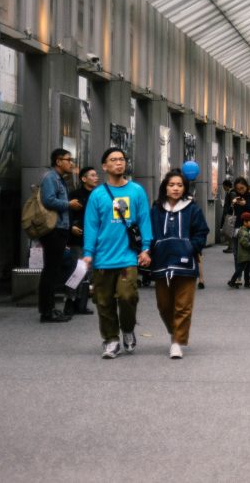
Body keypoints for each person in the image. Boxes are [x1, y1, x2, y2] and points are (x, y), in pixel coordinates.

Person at [82, 147, 153, 359]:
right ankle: (111, 339)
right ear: (105, 166)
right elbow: (91, 226)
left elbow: (144, 220)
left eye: (122, 159)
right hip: (103, 258)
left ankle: (128, 328)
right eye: (113, 160)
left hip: (128, 257)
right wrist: (88, 253)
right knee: (103, 302)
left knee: (127, 295)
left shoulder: (136, 191)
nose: (119, 163)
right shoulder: (97, 195)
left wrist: (146, 248)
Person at [149, 169, 210, 359]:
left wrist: (191, 247)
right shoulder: (156, 210)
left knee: (183, 305)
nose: (176, 188)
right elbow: (148, 232)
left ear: (185, 188)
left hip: (185, 264)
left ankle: (177, 341)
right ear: (165, 188)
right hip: (161, 263)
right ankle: (174, 331)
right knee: (164, 305)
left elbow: (202, 232)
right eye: (171, 185)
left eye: (180, 185)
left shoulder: (193, 208)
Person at [37, 148, 82, 323]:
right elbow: (48, 200)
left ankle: (48, 309)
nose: (71, 163)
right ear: (58, 161)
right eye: (68, 159)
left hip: (61, 228)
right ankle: (47, 311)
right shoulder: (50, 178)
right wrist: (68, 204)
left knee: (53, 269)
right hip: (53, 229)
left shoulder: (60, 179)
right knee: (50, 270)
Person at [64, 165, 98, 316]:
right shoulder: (75, 194)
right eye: (92, 175)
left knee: (88, 272)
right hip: (77, 238)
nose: (95, 177)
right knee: (77, 270)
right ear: (83, 179)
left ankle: (82, 304)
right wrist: (70, 227)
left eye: (96, 175)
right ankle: (69, 302)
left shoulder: (99, 194)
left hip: (93, 238)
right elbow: (66, 213)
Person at [228, 178, 250, 283]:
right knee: (236, 253)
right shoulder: (236, 198)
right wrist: (232, 204)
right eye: (238, 189)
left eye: (242, 188)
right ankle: (239, 277)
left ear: (246, 186)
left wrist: (245, 205)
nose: (240, 190)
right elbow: (229, 214)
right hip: (237, 228)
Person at [228, 212, 250, 288]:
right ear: (245, 222)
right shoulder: (244, 232)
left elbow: (247, 239)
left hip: (246, 255)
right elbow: (244, 242)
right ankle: (232, 281)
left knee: (247, 270)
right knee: (240, 269)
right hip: (244, 255)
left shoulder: (244, 230)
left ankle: (247, 283)